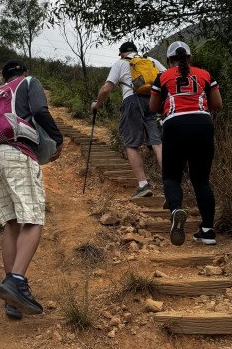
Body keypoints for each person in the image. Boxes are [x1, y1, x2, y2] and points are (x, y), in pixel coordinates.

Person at [0, 60, 63, 319]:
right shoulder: (29, 83)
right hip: (16, 153)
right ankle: (16, 281)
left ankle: (12, 300)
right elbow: (39, 110)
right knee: (33, 219)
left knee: (11, 223)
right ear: (24, 72)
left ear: (4, 76)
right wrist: (58, 139)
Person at [149, 41, 222, 246]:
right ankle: (208, 231)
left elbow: (153, 107)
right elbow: (217, 104)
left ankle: (176, 210)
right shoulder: (205, 74)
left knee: (171, 176)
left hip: (175, 125)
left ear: (170, 60)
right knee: (201, 180)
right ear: (189, 57)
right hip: (203, 124)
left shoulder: (163, 77)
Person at [92, 41, 165, 198]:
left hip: (132, 102)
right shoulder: (151, 61)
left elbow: (106, 88)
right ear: (136, 51)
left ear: (122, 53)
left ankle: (143, 185)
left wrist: (97, 104)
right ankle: (170, 184)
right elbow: (167, 77)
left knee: (132, 144)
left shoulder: (121, 63)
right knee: (157, 143)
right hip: (153, 101)